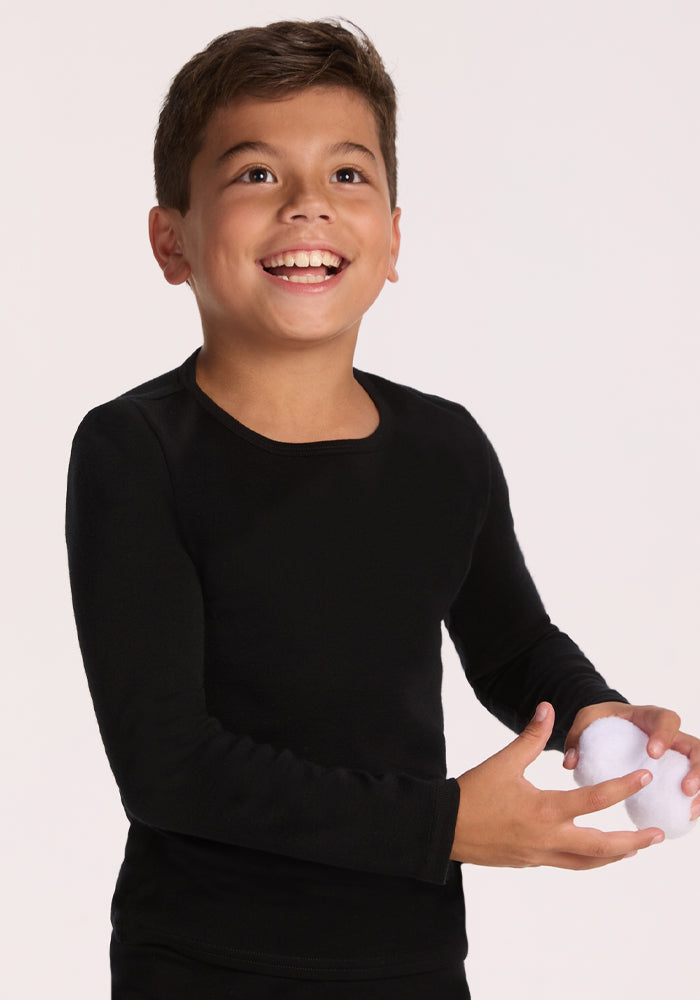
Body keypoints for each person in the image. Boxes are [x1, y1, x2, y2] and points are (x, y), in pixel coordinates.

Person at [65, 19, 700, 1000]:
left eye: (348, 176)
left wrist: (592, 711)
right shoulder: (133, 452)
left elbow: (511, 644)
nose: (308, 206)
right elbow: (169, 764)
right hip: (201, 964)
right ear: (171, 240)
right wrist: (442, 824)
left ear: (394, 238)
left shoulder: (442, 447)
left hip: (408, 962)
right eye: (255, 175)